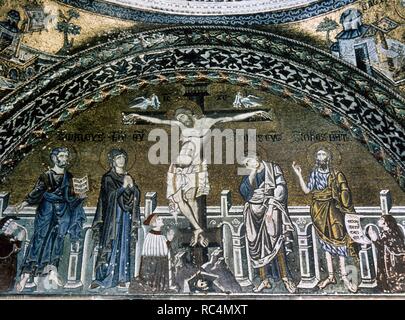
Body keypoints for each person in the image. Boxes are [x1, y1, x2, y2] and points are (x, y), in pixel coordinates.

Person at [123, 107, 271, 247]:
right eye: (179, 118)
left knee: (191, 198)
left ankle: (197, 229)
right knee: (180, 199)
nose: (181, 120)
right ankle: (197, 228)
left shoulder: (206, 122)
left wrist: (255, 112)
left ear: (190, 114)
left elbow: (231, 117)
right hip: (179, 166)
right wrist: (138, 116)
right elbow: (160, 121)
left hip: (195, 166)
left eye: (183, 116)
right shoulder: (180, 125)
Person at [15, 147, 86, 292]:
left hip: (63, 211)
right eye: (62, 155)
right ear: (54, 158)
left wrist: (80, 197)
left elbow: (70, 198)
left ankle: (52, 270)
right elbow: (37, 191)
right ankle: (26, 274)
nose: (65, 158)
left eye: (66, 156)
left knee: (57, 239)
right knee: (39, 239)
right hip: (47, 209)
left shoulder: (69, 176)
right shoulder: (46, 175)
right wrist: (24, 203)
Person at [292, 148, 358, 292]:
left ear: (328, 158)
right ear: (316, 159)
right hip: (318, 210)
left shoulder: (336, 174)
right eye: (318, 155)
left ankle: (344, 276)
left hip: (334, 210)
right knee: (325, 243)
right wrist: (299, 174)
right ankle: (330, 276)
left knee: (339, 240)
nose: (321, 157)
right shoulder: (314, 173)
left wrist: (344, 203)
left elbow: (345, 191)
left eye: (323, 154)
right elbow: (307, 191)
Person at [240, 155, 296, 293]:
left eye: (249, 161)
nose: (248, 165)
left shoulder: (273, 168)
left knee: (276, 242)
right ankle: (264, 280)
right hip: (253, 212)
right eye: (246, 164)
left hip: (271, 209)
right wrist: (252, 173)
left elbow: (281, 187)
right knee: (257, 247)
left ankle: (285, 278)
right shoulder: (250, 172)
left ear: (256, 158)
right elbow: (244, 191)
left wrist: (271, 205)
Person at [90, 148, 140, 289]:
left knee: (124, 245)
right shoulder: (108, 178)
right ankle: (103, 277)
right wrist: (124, 187)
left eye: (123, 157)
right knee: (109, 245)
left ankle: (122, 277)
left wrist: (133, 188)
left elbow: (134, 196)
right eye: (118, 158)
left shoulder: (128, 176)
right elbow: (110, 196)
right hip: (112, 218)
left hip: (125, 218)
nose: (121, 160)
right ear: (113, 161)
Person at [134, 213, 174, 292]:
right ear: (154, 223)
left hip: (160, 262)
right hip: (153, 263)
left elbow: (165, 250)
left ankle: (159, 288)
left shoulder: (162, 235)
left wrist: (169, 240)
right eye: (159, 219)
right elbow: (150, 253)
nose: (162, 220)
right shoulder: (150, 235)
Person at [368, 215, 405, 293]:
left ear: (386, 223)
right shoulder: (385, 232)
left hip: (391, 259)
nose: (379, 220)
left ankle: (392, 288)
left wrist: (374, 238)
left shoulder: (390, 233)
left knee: (391, 274)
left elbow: (382, 246)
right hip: (385, 257)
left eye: (381, 219)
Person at [0, 216, 26, 292]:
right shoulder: (2, 238)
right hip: (2, 271)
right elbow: (5, 253)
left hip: (10, 270)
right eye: (13, 223)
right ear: (8, 225)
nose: (16, 224)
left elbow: (15, 251)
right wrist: (19, 240)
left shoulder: (11, 237)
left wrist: (18, 240)